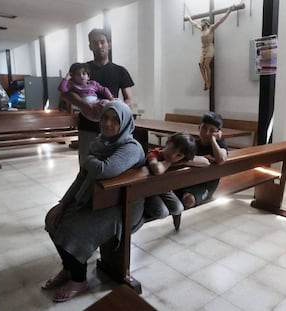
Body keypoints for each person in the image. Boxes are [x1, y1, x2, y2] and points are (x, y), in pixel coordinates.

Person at [43, 101, 145, 303]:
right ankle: (69, 267)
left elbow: (102, 169)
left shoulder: (131, 147)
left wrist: (87, 160)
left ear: (125, 123)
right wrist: (63, 203)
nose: (107, 124)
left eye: (115, 120)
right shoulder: (100, 143)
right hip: (98, 199)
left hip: (123, 205)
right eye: (105, 118)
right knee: (53, 218)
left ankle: (79, 279)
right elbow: (82, 177)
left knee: (73, 230)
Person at [62, 28, 135, 167]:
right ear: (90, 46)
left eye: (102, 42)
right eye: (95, 43)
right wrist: (87, 106)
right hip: (87, 127)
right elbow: (65, 93)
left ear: (109, 44)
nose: (99, 46)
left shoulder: (120, 71)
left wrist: (119, 110)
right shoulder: (81, 70)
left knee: (110, 168)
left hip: (113, 128)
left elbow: (129, 100)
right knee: (86, 165)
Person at [175, 112, 228, 208]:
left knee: (189, 200)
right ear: (199, 128)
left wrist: (213, 139)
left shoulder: (220, 144)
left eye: (212, 130)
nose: (206, 133)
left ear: (218, 132)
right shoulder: (194, 143)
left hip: (206, 184)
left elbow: (221, 159)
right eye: (204, 128)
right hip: (189, 179)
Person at [144, 133, 197, 219]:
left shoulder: (178, 160)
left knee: (178, 208)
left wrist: (184, 161)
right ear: (168, 141)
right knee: (162, 212)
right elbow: (157, 170)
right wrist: (170, 162)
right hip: (147, 190)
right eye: (173, 148)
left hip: (164, 188)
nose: (173, 155)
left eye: (179, 155)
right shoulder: (154, 154)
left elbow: (205, 162)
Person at [186, 5, 235, 90]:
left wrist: (229, 11)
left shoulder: (211, 28)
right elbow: (194, 24)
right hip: (203, 49)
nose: (201, 23)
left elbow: (220, 21)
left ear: (206, 22)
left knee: (206, 64)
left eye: (202, 22)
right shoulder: (202, 29)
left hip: (209, 48)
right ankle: (205, 81)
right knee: (200, 65)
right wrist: (189, 19)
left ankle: (209, 82)